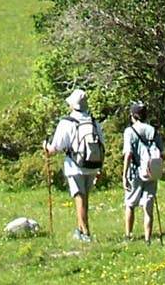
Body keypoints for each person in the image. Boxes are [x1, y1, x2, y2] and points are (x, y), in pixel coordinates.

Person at [42, 87, 103, 242]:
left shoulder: (67, 122)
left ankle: (85, 233)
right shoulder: (94, 122)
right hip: (92, 164)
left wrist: (46, 148)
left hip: (75, 165)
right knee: (85, 198)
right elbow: (102, 143)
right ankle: (80, 229)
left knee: (79, 197)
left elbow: (55, 148)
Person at [119, 100, 162, 242]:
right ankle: (148, 238)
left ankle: (128, 235)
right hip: (151, 171)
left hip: (135, 172)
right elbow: (162, 154)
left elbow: (128, 154)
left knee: (130, 204)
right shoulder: (153, 130)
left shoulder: (129, 131)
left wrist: (124, 175)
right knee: (148, 205)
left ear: (133, 115)